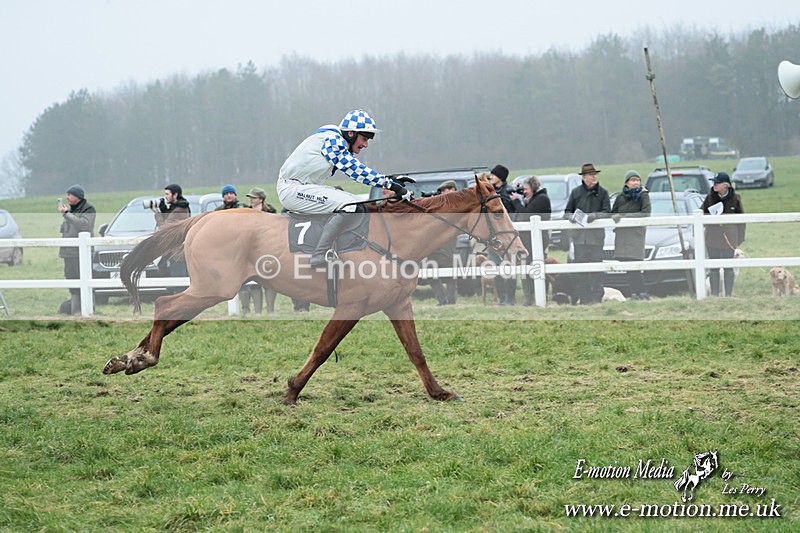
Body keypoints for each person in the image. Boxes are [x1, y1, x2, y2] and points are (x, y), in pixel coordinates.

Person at [277, 109, 410, 267]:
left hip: (303, 188)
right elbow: (355, 170)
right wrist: (388, 184)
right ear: (351, 133)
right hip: (292, 190)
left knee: (359, 204)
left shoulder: (337, 140)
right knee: (349, 205)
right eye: (364, 139)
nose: (366, 145)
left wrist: (389, 179)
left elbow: (358, 169)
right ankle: (319, 255)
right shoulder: (333, 138)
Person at [565, 163, 611, 305]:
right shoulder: (576, 193)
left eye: (595, 174)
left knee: (597, 268)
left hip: (596, 238)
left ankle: (597, 296)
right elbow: (567, 212)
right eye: (591, 175)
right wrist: (571, 218)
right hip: (580, 238)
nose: (594, 177)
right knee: (581, 269)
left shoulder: (603, 193)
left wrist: (595, 216)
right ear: (584, 177)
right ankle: (584, 297)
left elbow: (608, 212)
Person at [700, 172, 746, 297]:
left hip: (729, 239)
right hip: (712, 238)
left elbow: (742, 220)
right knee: (713, 268)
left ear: (725, 185)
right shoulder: (709, 198)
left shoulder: (736, 199)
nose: (714, 185)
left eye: (717, 182)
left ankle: (728, 295)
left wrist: (739, 239)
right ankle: (715, 294)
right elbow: (701, 214)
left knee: (728, 267)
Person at [611, 170, 652, 300]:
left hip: (635, 235)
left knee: (635, 266)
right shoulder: (620, 197)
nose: (635, 183)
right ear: (627, 182)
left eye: (637, 180)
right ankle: (635, 294)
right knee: (628, 267)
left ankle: (643, 293)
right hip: (622, 236)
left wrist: (625, 216)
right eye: (632, 180)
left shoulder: (643, 195)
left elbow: (646, 213)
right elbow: (613, 213)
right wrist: (617, 217)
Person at [512, 175, 551, 306]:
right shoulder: (533, 198)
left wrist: (516, 202)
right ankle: (528, 297)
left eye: (526, 189)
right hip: (526, 240)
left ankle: (541, 295)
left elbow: (526, 215)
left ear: (533, 188)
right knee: (525, 268)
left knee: (537, 267)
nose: (524, 192)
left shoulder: (542, 199)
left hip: (537, 240)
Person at [57, 185, 96, 314]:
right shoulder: (72, 210)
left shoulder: (89, 209)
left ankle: (87, 309)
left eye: (70, 195)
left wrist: (66, 214)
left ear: (77, 197)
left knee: (85, 279)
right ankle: (75, 310)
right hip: (69, 253)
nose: (67, 197)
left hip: (81, 253)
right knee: (72, 279)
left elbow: (84, 225)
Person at [238, 187, 277, 314]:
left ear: (261, 199)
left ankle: (270, 310)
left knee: (269, 281)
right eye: (250, 198)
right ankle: (257, 311)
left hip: (268, 249)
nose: (251, 200)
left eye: (253, 198)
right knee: (254, 281)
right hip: (251, 251)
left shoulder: (271, 212)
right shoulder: (246, 213)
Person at [486, 164, 518, 304]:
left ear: (500, 177)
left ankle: (510, 298)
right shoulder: (490, 191)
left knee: (508, 267)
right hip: (493, 237)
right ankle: (501, 297)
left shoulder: (507, 192)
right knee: (496, 267)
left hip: (506, 236)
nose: (490, 177)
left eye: (493, 175)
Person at [151, 183, 191, 293]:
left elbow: (166, 228)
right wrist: (164, 210)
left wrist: (157, 213)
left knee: (178, 280)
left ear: (175, 195)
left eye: (167, 194)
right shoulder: (177, 208)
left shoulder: (180, 210)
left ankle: (179, 300)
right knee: (165, 270)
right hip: (173, 250)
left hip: (178, 252)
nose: (166, 197)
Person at [427, 181, 459, 306]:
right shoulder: (440, 203)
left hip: (448, 240)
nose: (442, 193)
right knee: (430, 271)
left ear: (452, 190)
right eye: (441, 191)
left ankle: (451, 300)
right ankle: (441, 300)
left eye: (445, 190)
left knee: (448, 271)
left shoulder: (457, 202)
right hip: (433, 240)